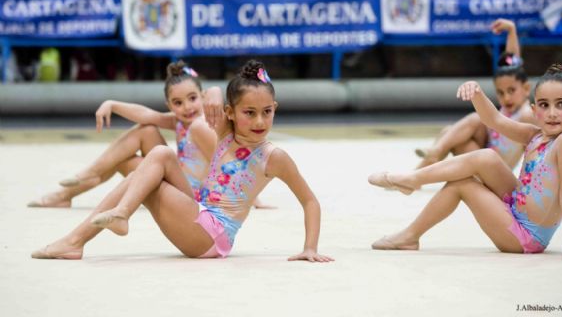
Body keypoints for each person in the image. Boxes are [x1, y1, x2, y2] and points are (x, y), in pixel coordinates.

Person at [32, 60, 333, 262]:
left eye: (267, 112)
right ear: (230, 113)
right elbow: (211, 97)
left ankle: (78, 239)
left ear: (275, 108)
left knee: (146, 171)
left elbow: (310, 201)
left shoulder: (273, 156)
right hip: (199, 209)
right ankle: (116, 216)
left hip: (213, 237)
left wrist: (310, 248)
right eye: (249, 112)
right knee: (160, 153)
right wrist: (214, 91)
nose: (259, 120)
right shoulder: (226, 133)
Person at [369, 64, 562, 258]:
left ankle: (410, 226)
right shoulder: (534, 135)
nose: (552, 113)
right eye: (544, 105)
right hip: (517, 208)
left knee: (461, 184)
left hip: (526, 236)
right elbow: (494, 120)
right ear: (534, 109)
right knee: (487, 156)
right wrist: (477, 92)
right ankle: (413, 181)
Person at [27, 61, 221, 209]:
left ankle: (79, 182)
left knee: (120, 156)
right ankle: (78, 185)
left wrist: (248, 197)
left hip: (189, 194)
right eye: (178, 103)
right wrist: (112, 104)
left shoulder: (204, 125)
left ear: (203, 96)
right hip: (178, 181)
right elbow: (146, 114)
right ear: (169, 105)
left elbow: (224, 162)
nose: (187, 107)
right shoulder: (179, 121)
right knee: (146, 129)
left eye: (192, 98)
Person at [415, 19, 534, 170]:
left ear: (526, 88)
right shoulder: (511, 106)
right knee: (449, 132)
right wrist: (511, 30)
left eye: (511, 91)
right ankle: (419, 172)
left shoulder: (526, 114)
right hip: (487, 153)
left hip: (496, 170)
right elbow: (512, 63)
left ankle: (421, 170)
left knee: (475, 119)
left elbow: (538, 149)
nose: (506, 98)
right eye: (500, 93)